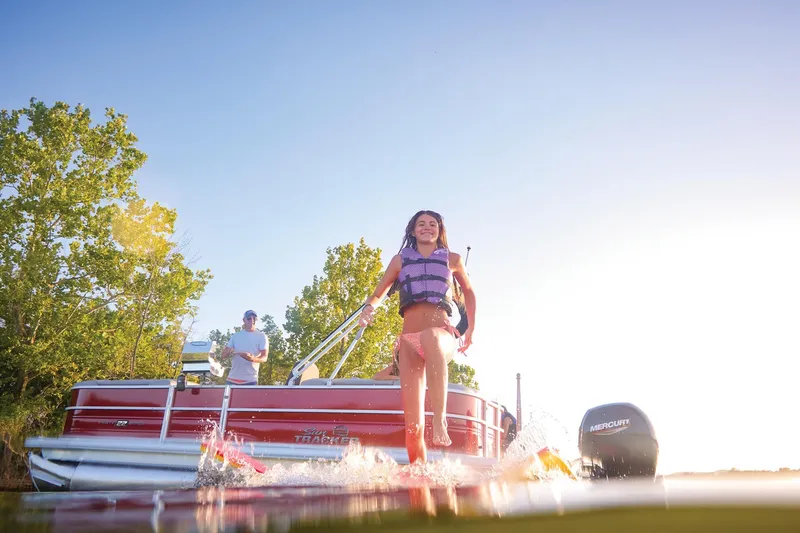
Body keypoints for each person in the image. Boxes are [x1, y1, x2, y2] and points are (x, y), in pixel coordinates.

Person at [360, 210, 476, 464]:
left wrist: (470, 331)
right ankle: (418, 473)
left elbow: (469, 292)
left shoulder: (453, 259)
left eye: (432, 224)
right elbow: (379, 293)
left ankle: (440, 417)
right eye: (421, 224)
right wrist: (369, 308)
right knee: (413, 428)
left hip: (441, 336)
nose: (426, 228)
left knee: (431, 338)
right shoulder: (400, 260)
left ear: (439, 230)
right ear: (413, 231)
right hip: (409, 340)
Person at [220, 310, 269, 386]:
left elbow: (264, 357)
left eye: (254, 318)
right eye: (249, 318)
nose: (252, 320)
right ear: (244, 320)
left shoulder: (261, 336)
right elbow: (223, 356)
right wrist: (229, 351)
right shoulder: (235, 336)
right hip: (232, 379)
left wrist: (252, 359)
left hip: (250, 380)